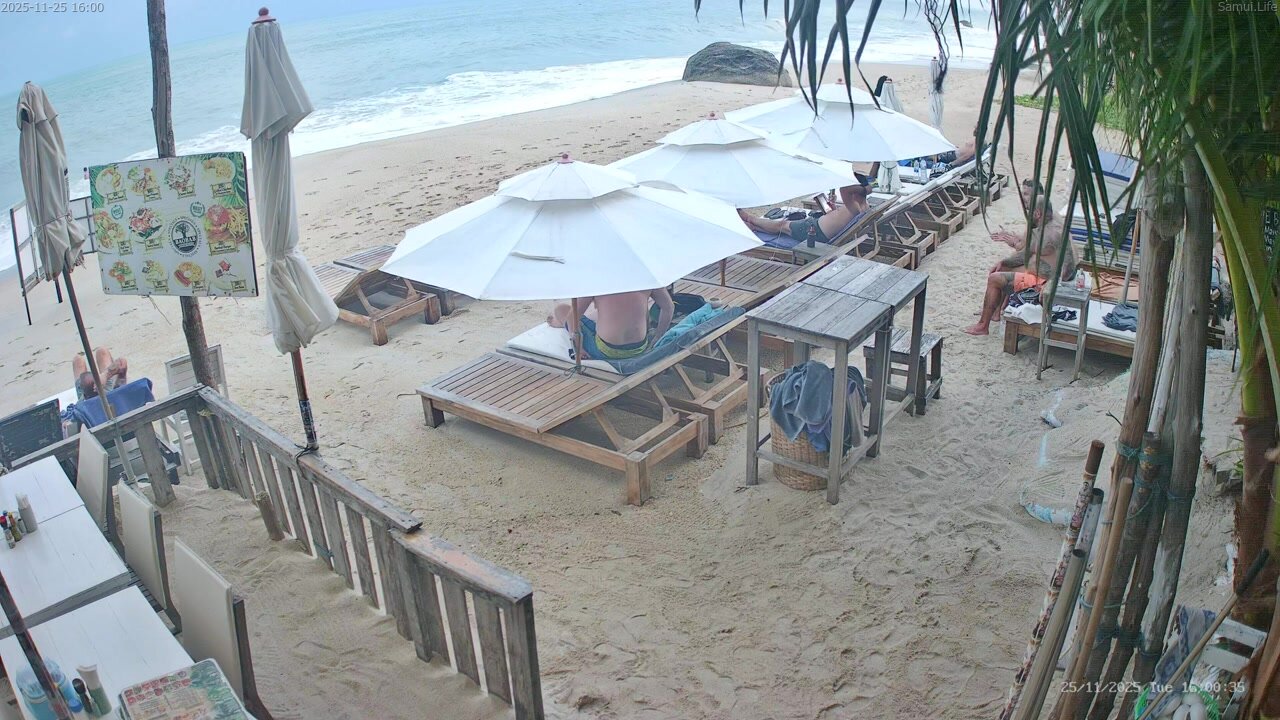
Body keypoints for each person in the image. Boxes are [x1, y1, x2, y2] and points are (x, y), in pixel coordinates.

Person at [963, 179, 1075, 336]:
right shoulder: (1041, 229)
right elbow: (1025, 253)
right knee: (1002, 267)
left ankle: (983, 326)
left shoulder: (1056, 233)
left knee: (994, 279)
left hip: (1042, 281)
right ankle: (994, 312)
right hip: (1037, 274)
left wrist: (1051, 284)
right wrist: (1003, 262)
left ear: (1037, 214)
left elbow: (1068, 264)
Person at [738, 172, 875, 246]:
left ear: (855, 191)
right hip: (818, 227)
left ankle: (750, 219)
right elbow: (841, 217)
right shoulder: (862, 204)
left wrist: (863, 188)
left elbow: (845, 189)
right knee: (783, 227)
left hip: (814, 231)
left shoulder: (856, 207)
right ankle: (753, 226)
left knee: (782, 225)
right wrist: (834, 209)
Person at [549, 288, 675, 360]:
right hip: (639, 347)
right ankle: (561, 323)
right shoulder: (646, 278)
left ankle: (559, 323)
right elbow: (669, 307)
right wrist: (658, 336)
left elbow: (573, 316)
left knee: (561, 309)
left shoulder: (599, 282)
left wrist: (579, 348)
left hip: (607, 351)